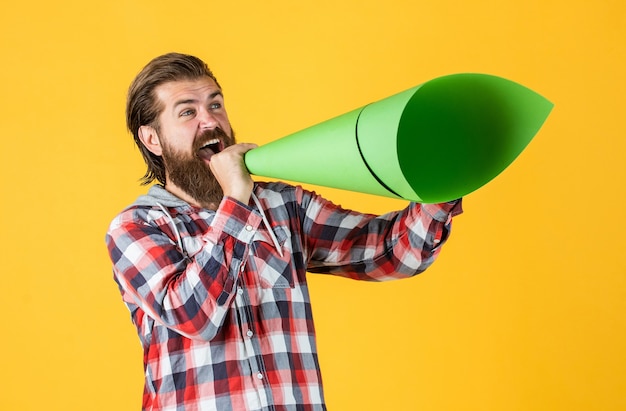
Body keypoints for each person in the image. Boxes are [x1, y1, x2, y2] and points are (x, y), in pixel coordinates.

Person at [105, 52, 463, 411]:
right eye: (188, 111)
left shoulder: (283, 205)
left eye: (215, 104)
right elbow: (192, 315)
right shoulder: (136, 226)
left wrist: (442, 184)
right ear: (152, 139)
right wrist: (236, 200)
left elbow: (391, 252)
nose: (210, 121)